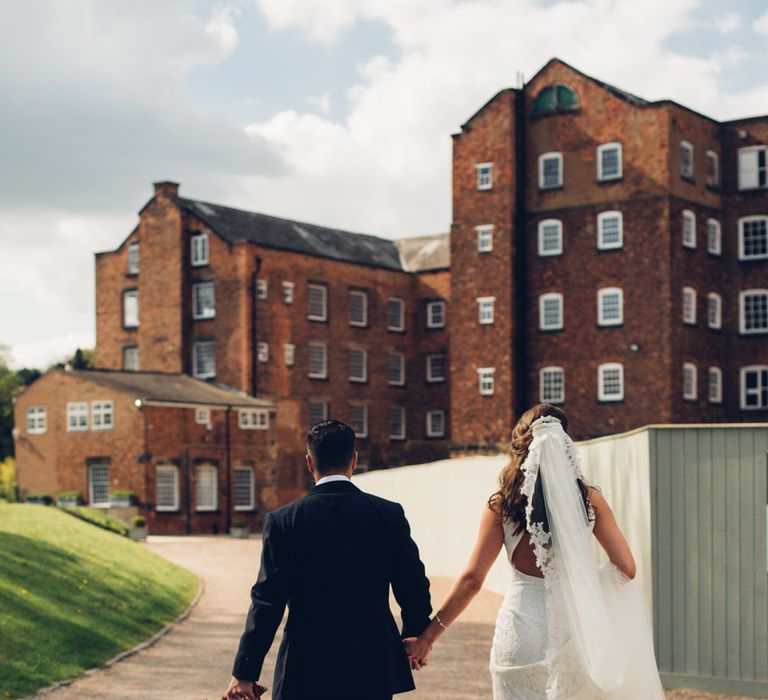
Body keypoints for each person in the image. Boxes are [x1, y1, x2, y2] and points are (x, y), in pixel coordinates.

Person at [408, 403, 665, 699]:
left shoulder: (501, 506)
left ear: (521, 449)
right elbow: (627, 569)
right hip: (575, 634)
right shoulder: (590, 501)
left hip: (520, 635)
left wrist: (426, 639)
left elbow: (472, 580)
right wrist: (583, 582)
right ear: (564, 446)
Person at [223, 419, 432, 700]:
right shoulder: (388, 514)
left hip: (305, 665)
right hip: (371, 665)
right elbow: (413, 584)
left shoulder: (283, 521)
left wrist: (245, 673)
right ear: (354, 460)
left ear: (309, 463)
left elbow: (267, 601)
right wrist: (415, 635)